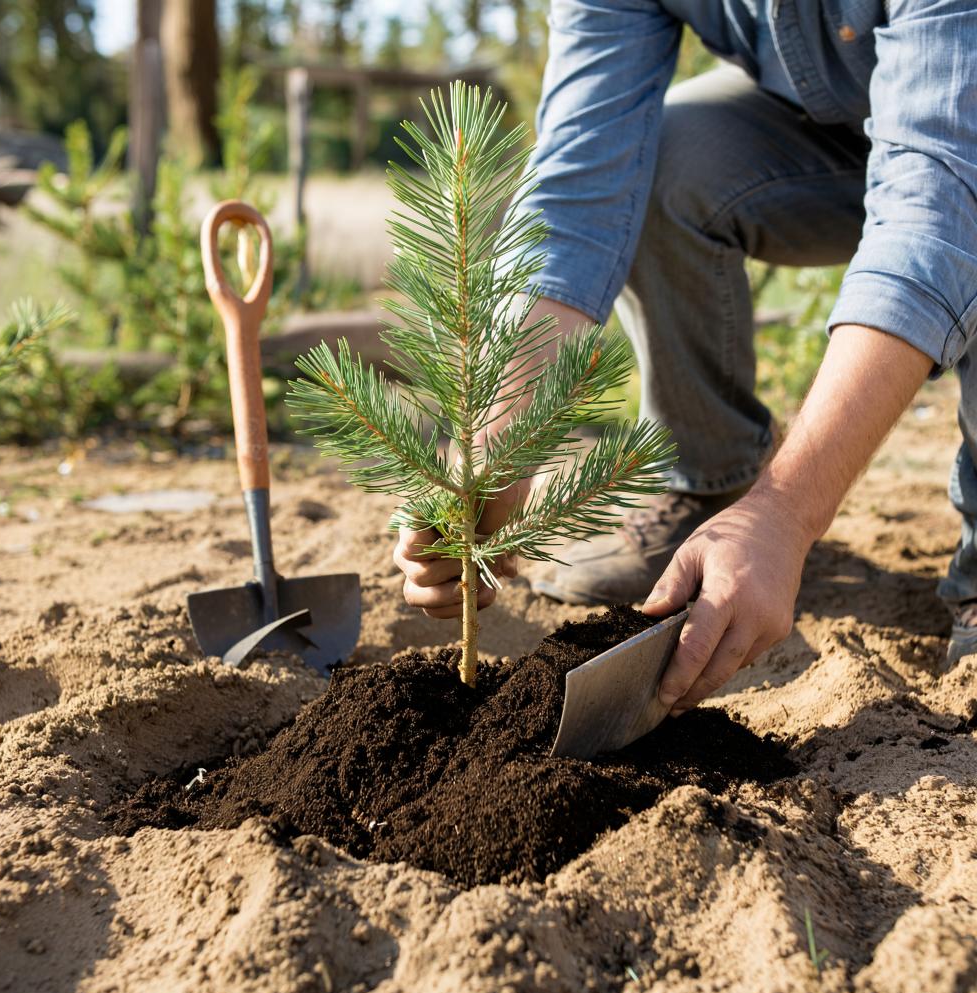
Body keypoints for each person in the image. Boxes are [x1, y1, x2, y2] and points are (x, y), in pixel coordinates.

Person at [394, 0, 977, 714]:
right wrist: (498, 441)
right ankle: (713, 489)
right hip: (844, 136)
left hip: (958, 149)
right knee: (660, 160)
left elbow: (936, 218)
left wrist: (787, 514)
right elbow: (581, 186)